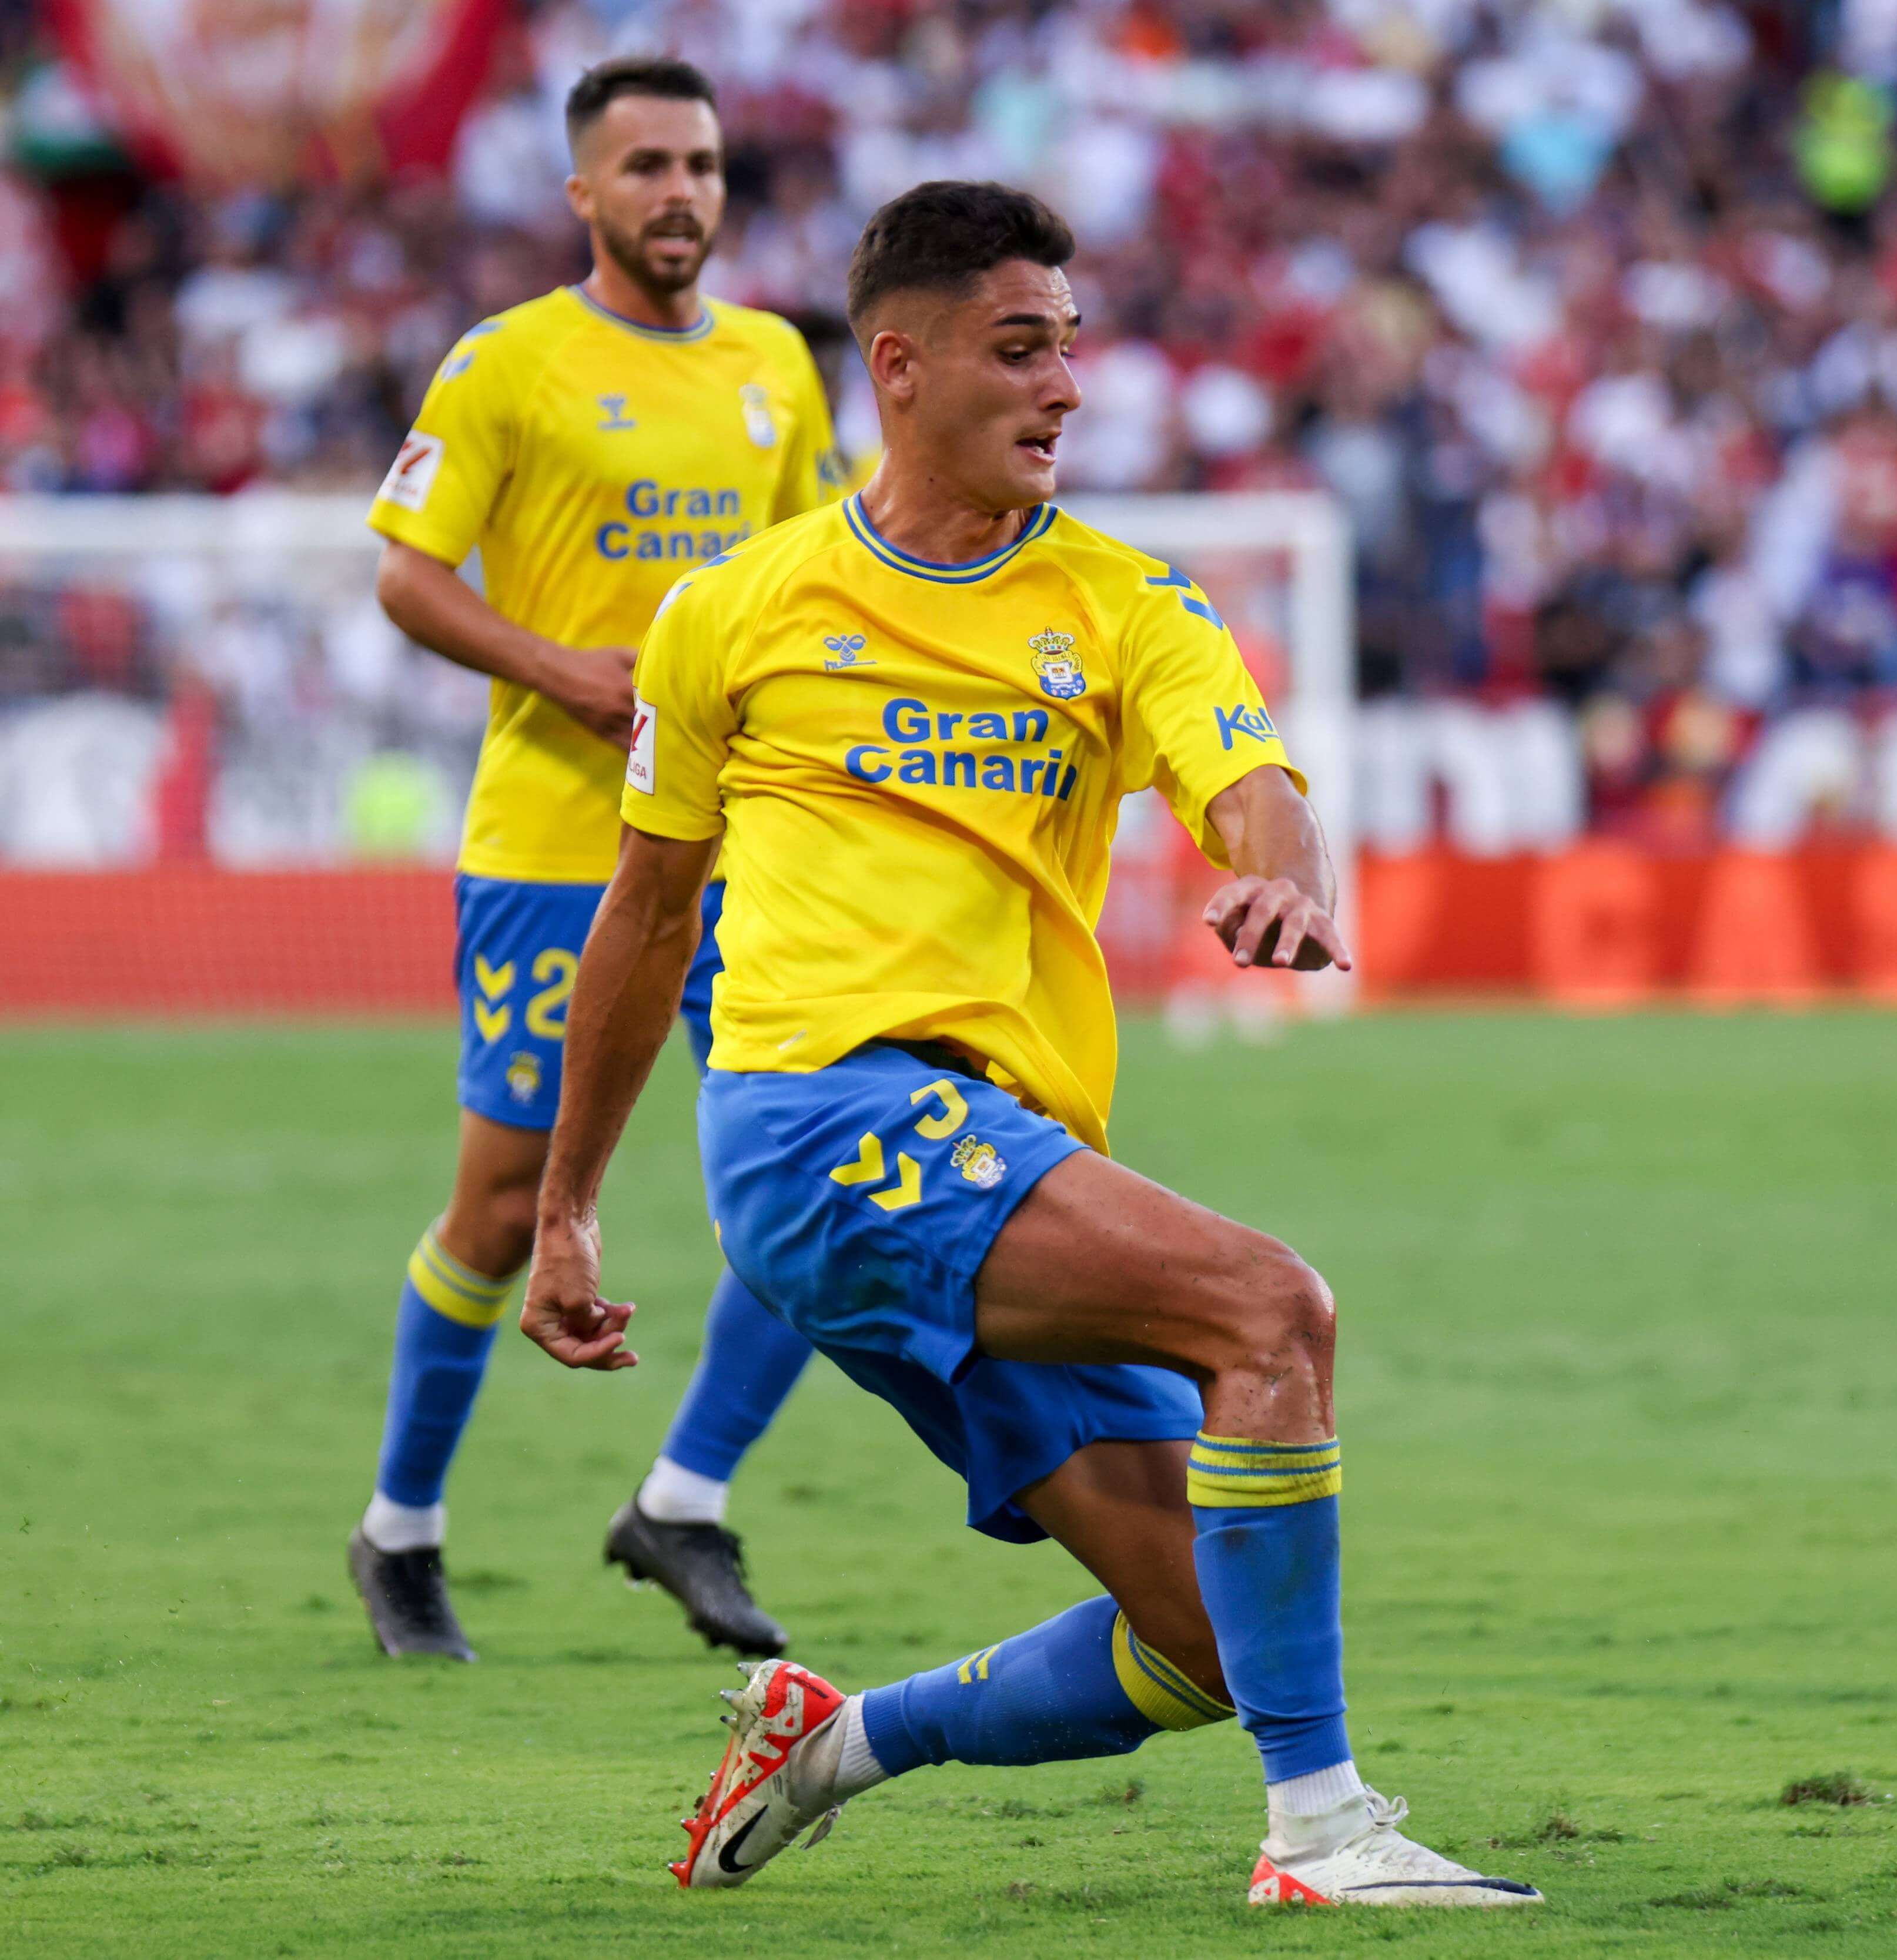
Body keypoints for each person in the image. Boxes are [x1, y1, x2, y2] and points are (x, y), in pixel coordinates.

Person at [519, 179, 1540, 1909]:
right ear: (900, 367)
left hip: (996, 1150)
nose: (1064, 387)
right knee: (1272, 1309)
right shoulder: (737, 615)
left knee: (1214, 1642)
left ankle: (837, 1743)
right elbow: (642, 921)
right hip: (816, 1125)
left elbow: (1255, 787)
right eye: (1019, 350)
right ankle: (1325, 1839)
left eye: (1071, 348)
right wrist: (565, 1210)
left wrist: (1276, 881)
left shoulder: (1126, 603)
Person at [353, 56, 838, 1662]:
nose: (679, 191)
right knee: (502, 1213)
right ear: (583, 195)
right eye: (643, 167)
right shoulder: (507, 368)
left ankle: (683, 1501)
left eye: (699, 163)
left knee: (814, 1178)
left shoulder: (777, 366)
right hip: (558, 850)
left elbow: (815, 577)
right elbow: (410, 579)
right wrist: (564, 666)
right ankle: (400, 1534)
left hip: (738, 852)